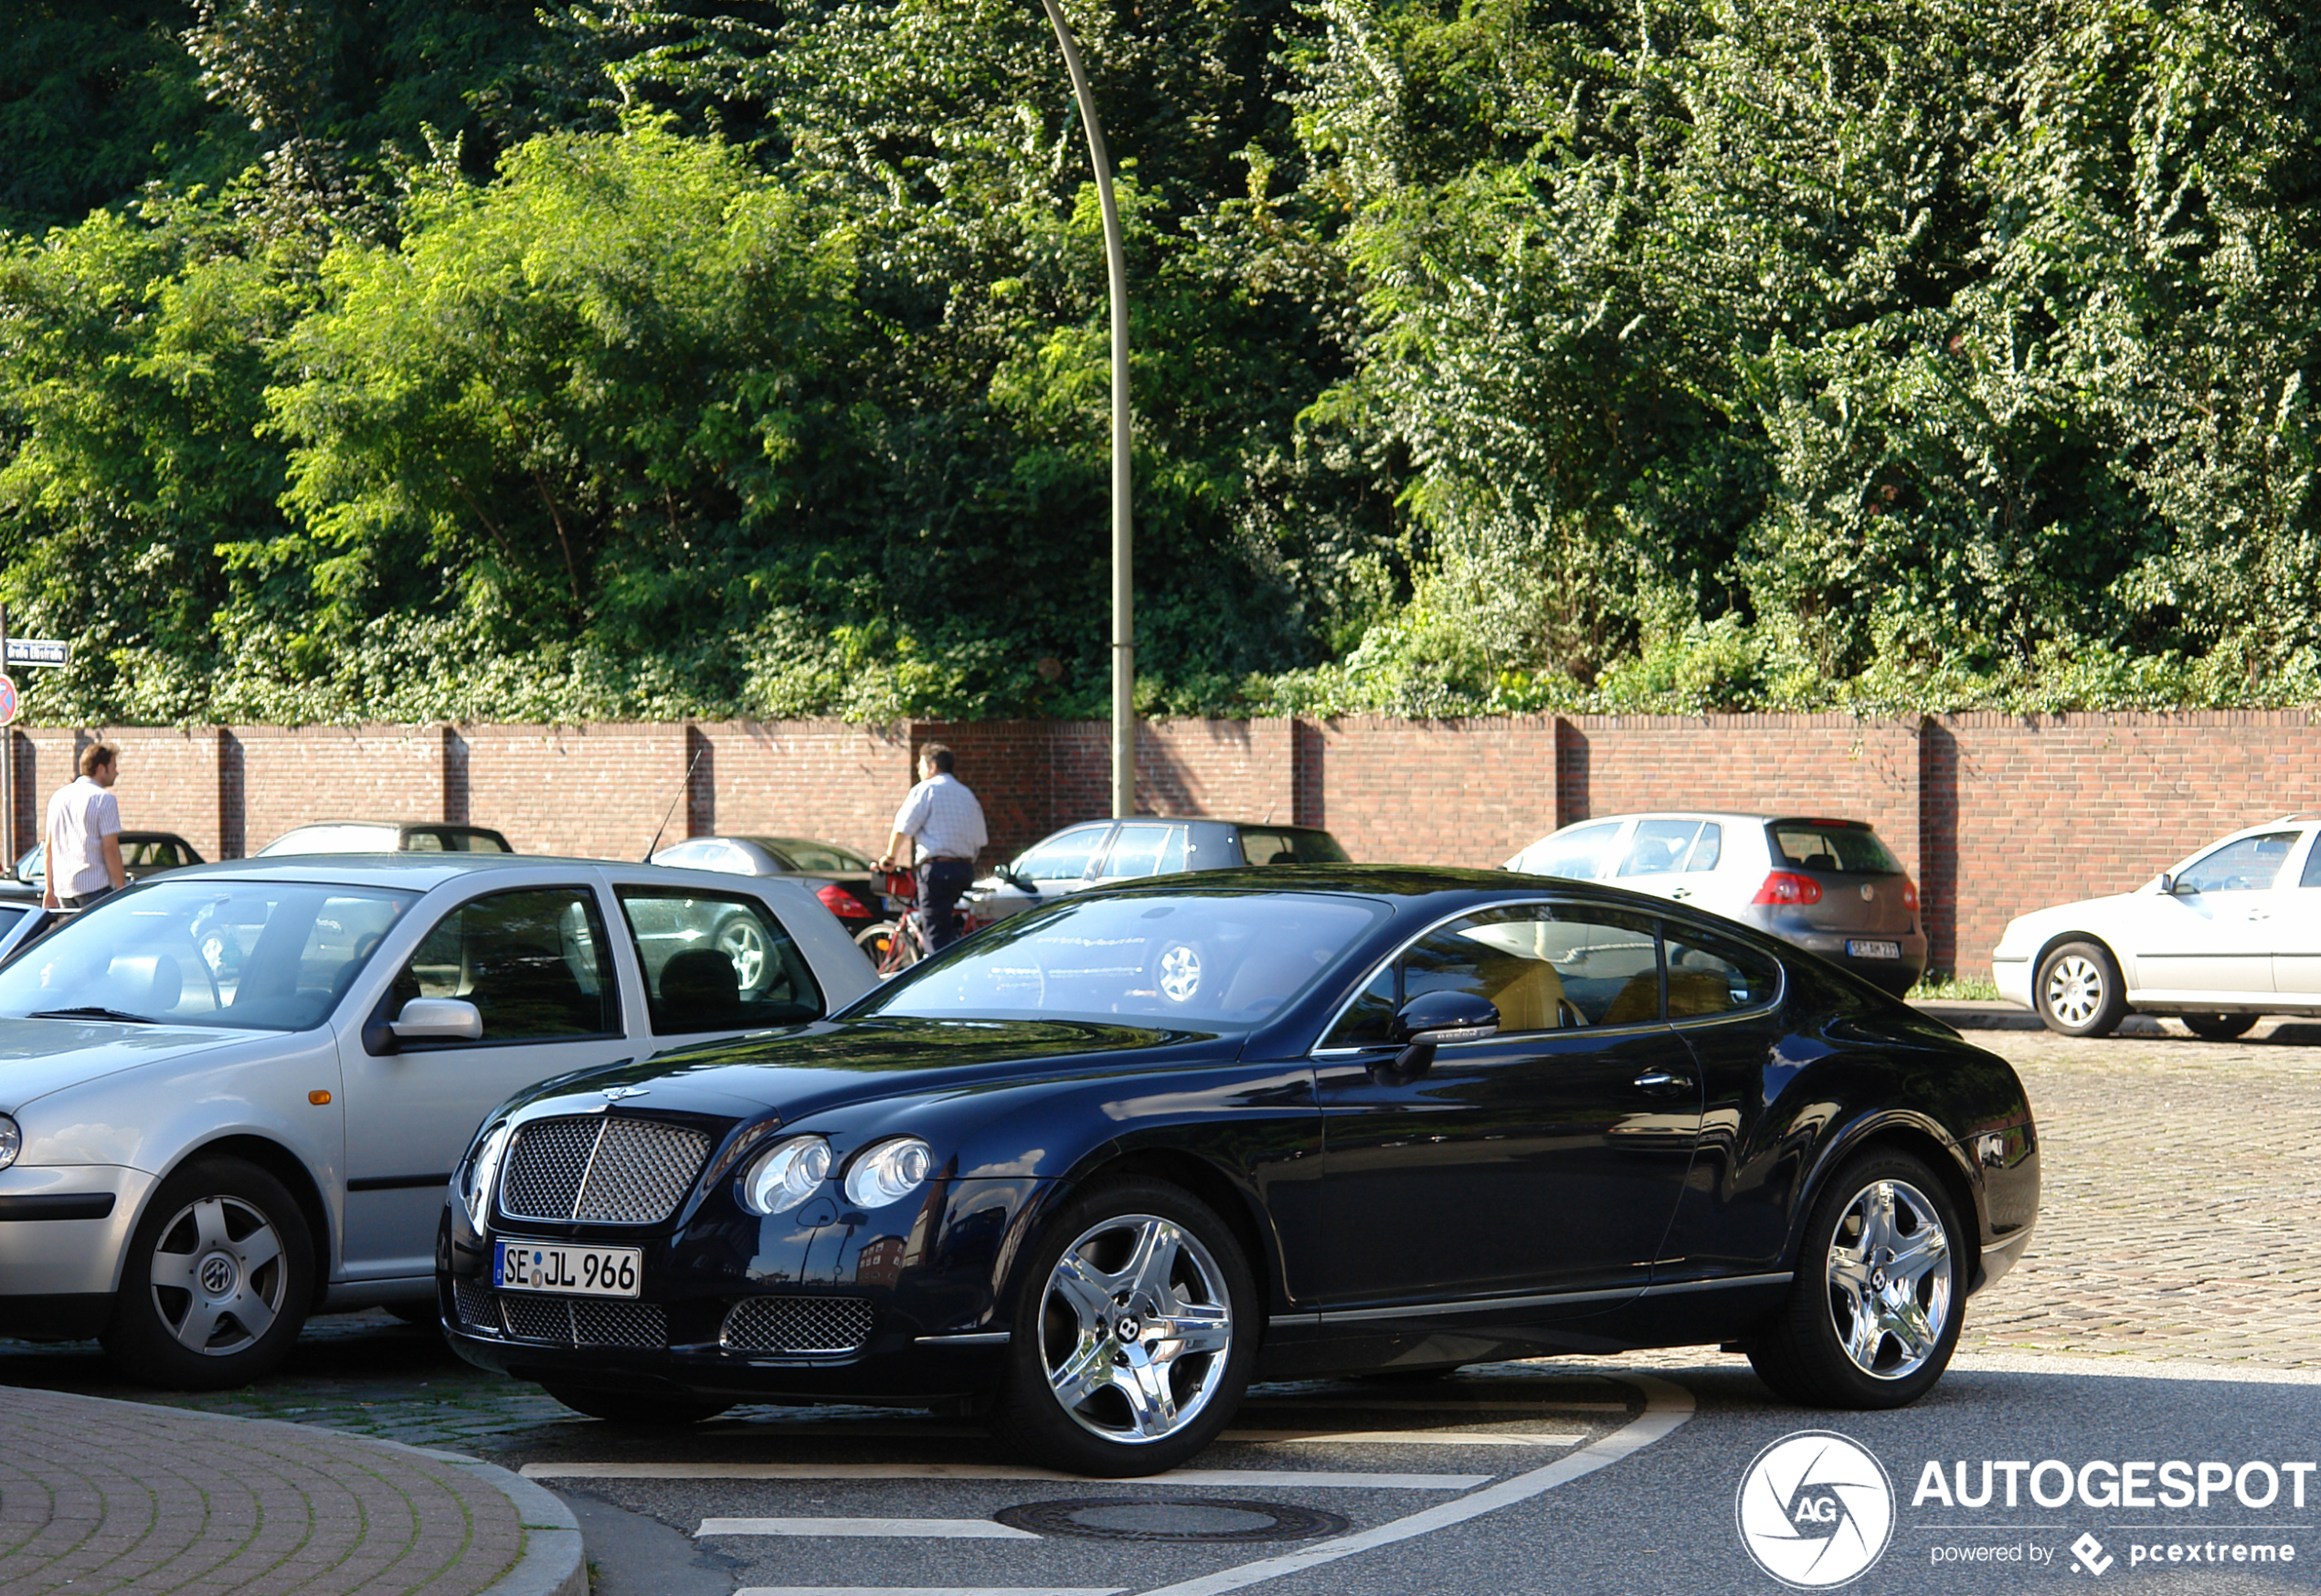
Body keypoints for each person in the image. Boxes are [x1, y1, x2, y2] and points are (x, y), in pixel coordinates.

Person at [876, 744, 987, 953]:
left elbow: (903, 827)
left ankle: (937, 975)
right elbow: (979, 840)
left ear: (933, 766)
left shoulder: (925, 789)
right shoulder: (967, 794)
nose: (918, 769)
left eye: (921, 764)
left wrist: (890, 857)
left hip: (937, 871)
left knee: (934, 933)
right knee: (951, 925)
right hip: (964, 869)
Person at [44, 742, 125, 911]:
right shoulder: (104, 799)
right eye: (114, 766)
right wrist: (121, 889)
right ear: (101, 768)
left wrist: (49, 889)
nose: (117, 772)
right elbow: (110, 848)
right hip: (95, 886)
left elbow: (49, 848)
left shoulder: (58, 798)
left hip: (63, 889)